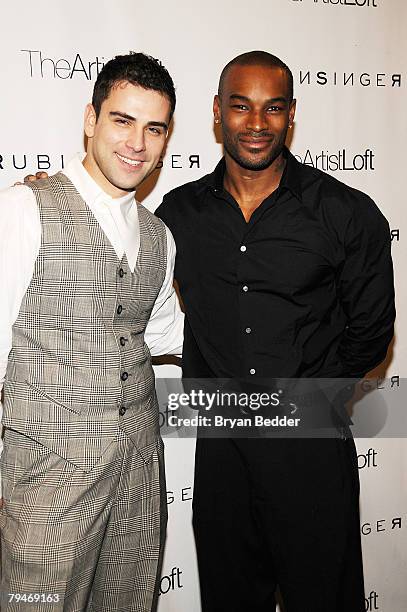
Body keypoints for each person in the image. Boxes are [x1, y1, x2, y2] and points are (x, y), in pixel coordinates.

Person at [155, 51, 395, 611]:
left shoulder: (346, 213)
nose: (256, 124)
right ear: (218, 112)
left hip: (310, 453)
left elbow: (370, 331)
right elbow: (115, 241)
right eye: (240, 107)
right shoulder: (178, 214)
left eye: (273, 108)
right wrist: (52, 193)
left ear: (291, 115)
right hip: (224, 458)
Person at [0, 52, 183, 611]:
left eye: (154, 128)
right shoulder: (25, 208)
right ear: (90, 119)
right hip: (46, 481)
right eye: (122, 121)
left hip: (137, 477)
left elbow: (163, 334)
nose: (137, 143)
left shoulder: (159, 237)